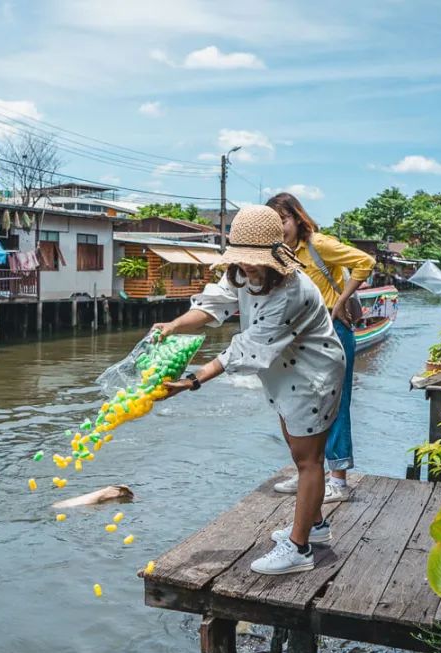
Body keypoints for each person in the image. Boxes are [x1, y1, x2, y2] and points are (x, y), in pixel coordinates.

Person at [154, 205, 346, 576]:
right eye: (242, 261)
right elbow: (214, 307)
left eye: (255, 261)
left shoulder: (292, 291)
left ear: (277, 254)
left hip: (312, 375)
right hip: (284, 373)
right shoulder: (242, 275)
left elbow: (246, 347)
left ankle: (300, 547)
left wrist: (193, 381)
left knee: (310, 461)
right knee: (297, 450)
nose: (248, 267)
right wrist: (174, 325)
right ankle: (316, 526)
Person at [265, 192, 375, 503]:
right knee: (294, 404)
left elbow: (365, 262)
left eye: (283, 220)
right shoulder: (279, 253)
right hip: (298, 335)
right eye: (274, 223)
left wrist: (341, 301)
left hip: (332, 329)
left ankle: (338, 480)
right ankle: (307, 473)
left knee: (335, 406)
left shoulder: (319, 244)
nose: (280, 228)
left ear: (298, 219)